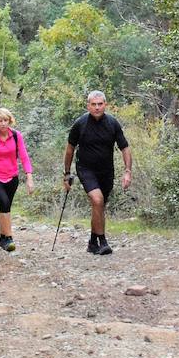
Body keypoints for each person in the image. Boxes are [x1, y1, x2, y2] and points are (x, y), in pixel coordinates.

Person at [63, 90, 132, 255]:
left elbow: (125, 148)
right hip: (85, 168)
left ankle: (92, 242)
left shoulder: (113, 123)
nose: (97, 107)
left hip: (106, 170)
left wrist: (127, 171)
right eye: (93, 104)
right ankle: (102, 241)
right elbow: (69, 149)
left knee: (99, 206)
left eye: (100, 104)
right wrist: (67, 173)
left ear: (105, 105)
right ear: (88, 106)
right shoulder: (80, 123)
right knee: (97, 199)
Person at [0, 108, 35, 252]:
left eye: (6, 120)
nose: (3, 124)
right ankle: (9, 237)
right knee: (4, 203)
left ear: (10, 121)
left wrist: (29, 178)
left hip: (12, 177)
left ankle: (2, 238)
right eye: (0, 121)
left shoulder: (17, 136)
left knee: (6, 207)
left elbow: (24, 157)